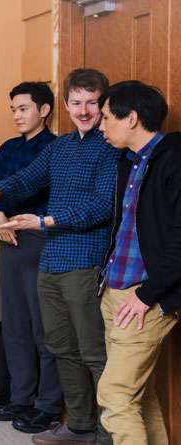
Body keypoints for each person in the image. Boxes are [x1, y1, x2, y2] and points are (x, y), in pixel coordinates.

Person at [0, 68, 120, 445]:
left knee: (92, 351)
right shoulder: (60, 146)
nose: (84, 110)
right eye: (77, 102)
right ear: (65, 105)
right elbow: (28, 178)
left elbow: (101, 206)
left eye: (92, 103)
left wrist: (46, 219)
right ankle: (80, 425)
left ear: (103, 105)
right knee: (61, 347)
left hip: (85, 259)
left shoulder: (112, 147)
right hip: (50, 261)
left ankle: (109, 432)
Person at [95, 79, 176, 445]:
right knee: (136, 400)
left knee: (113, 396)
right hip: (115, 293)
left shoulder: (173, 159)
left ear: (131, 118)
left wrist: (147, 295)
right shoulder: (128, 163)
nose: (100, 126)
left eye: (106, 117)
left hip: (145, 298)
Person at [0, 82, 64, 433]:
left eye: (24, 108)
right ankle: (21, 398)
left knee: (43, 327)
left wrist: (17, 221)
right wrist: (0, 218)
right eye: (13, 109)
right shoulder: (8, 148)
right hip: (8, 239)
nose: (17, 115)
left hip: (41, 239)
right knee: (15, 326)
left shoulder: (57, 147)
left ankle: (47, 405)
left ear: (43, 110)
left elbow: (51, 193)